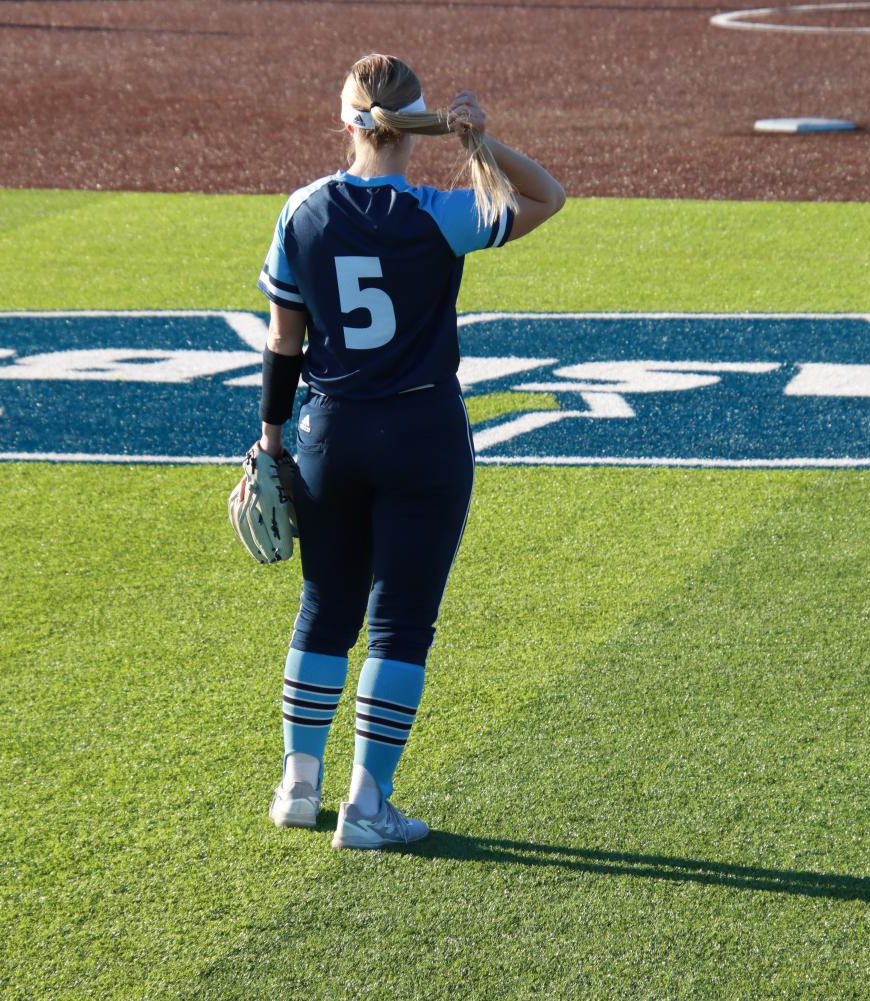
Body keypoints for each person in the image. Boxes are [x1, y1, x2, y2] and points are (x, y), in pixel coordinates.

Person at [252, 54, 565, 849]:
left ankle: (297, 785)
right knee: (400, 627)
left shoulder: (302, 210)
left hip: (329, 434)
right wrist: (480, 145)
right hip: (422, 436)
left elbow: (283, 339)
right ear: (415, 126)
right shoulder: (439, 214)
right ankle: (367, 807)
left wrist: (269, 438)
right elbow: (546, 198)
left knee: (323, 608)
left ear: (347, 121)